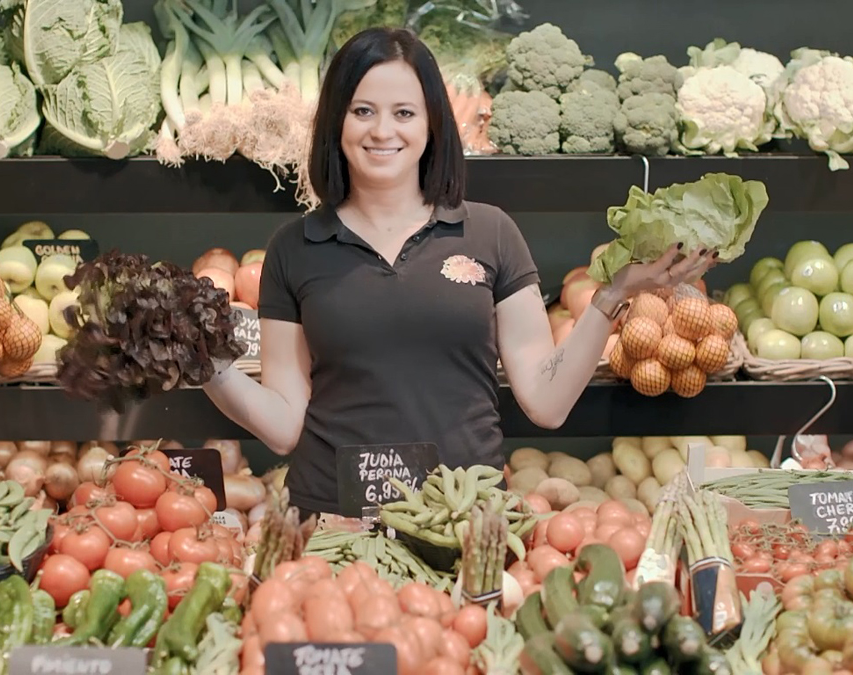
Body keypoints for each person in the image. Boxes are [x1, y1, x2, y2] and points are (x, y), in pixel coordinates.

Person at [203, 28, 715, 520]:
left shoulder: (490, 233)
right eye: (363, 111)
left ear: (432, 125)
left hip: (466, 521)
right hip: (338, 521)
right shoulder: (296, 248)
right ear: (337, 122)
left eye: (404, 112)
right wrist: (204, 364)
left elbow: (546, 401)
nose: (383, 130)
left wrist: (613, 296)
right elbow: (283, 427)